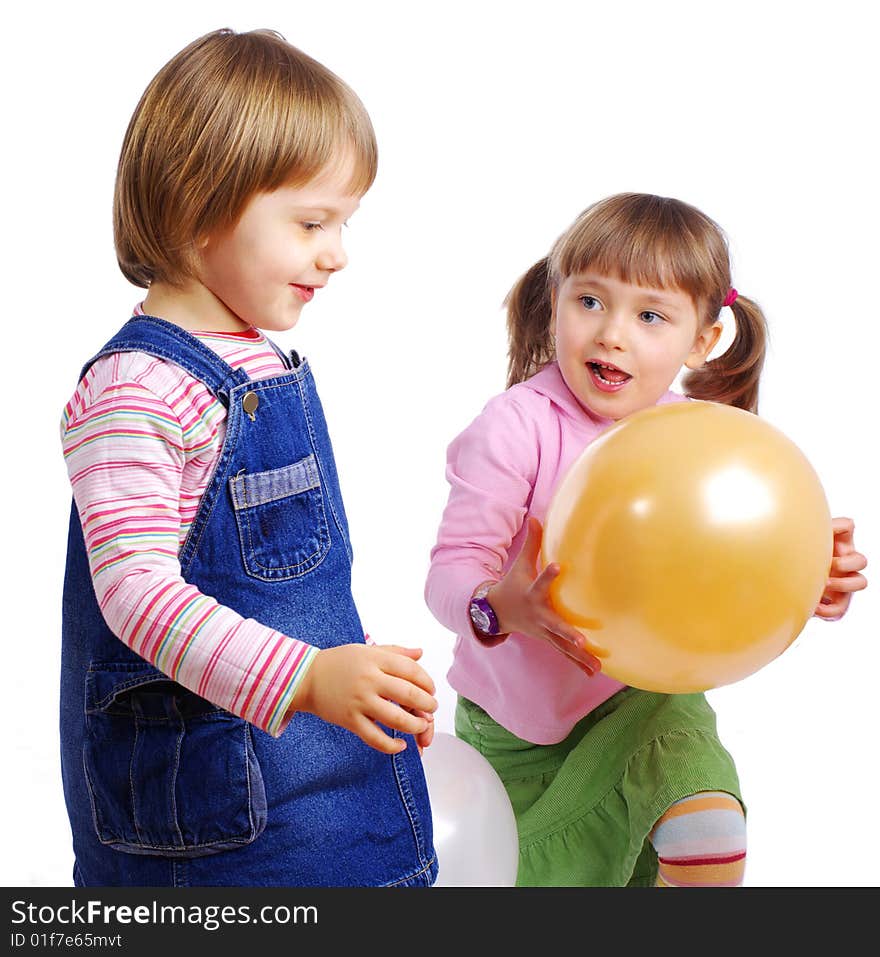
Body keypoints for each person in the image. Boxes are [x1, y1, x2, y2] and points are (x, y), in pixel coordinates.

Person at [60, 28, 438, 888]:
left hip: (315, 788)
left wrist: (353, 669)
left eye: (343, 223)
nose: (337, 252)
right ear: (199, 208)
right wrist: (306, 675)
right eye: (312, 222)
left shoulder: (256, 358)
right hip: (217, 824)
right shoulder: (139, 387)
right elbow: (137, 596)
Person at [424, 192, 868, 887]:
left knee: (710, 830)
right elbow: (450, 574)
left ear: (701, 339)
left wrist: (807, 575)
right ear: (555, 297)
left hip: (649, 699)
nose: (612, 335)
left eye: (650, 315)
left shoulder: (699, 438)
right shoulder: (515, 428)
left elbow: (726, 568)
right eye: (591, 301)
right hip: (523, 729)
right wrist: (497, 607)